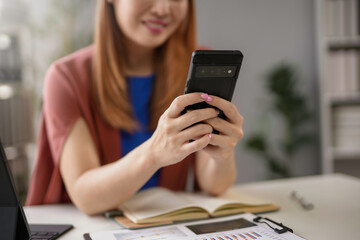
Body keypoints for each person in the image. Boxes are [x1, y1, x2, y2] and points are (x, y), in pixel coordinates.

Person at [26, 0, 244, 216]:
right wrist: (154, 153)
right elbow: (85, 196)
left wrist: (222, 152)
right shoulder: (67, 78)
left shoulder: (196, 64)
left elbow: (214, 186)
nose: (162, 9)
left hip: (165, 226)